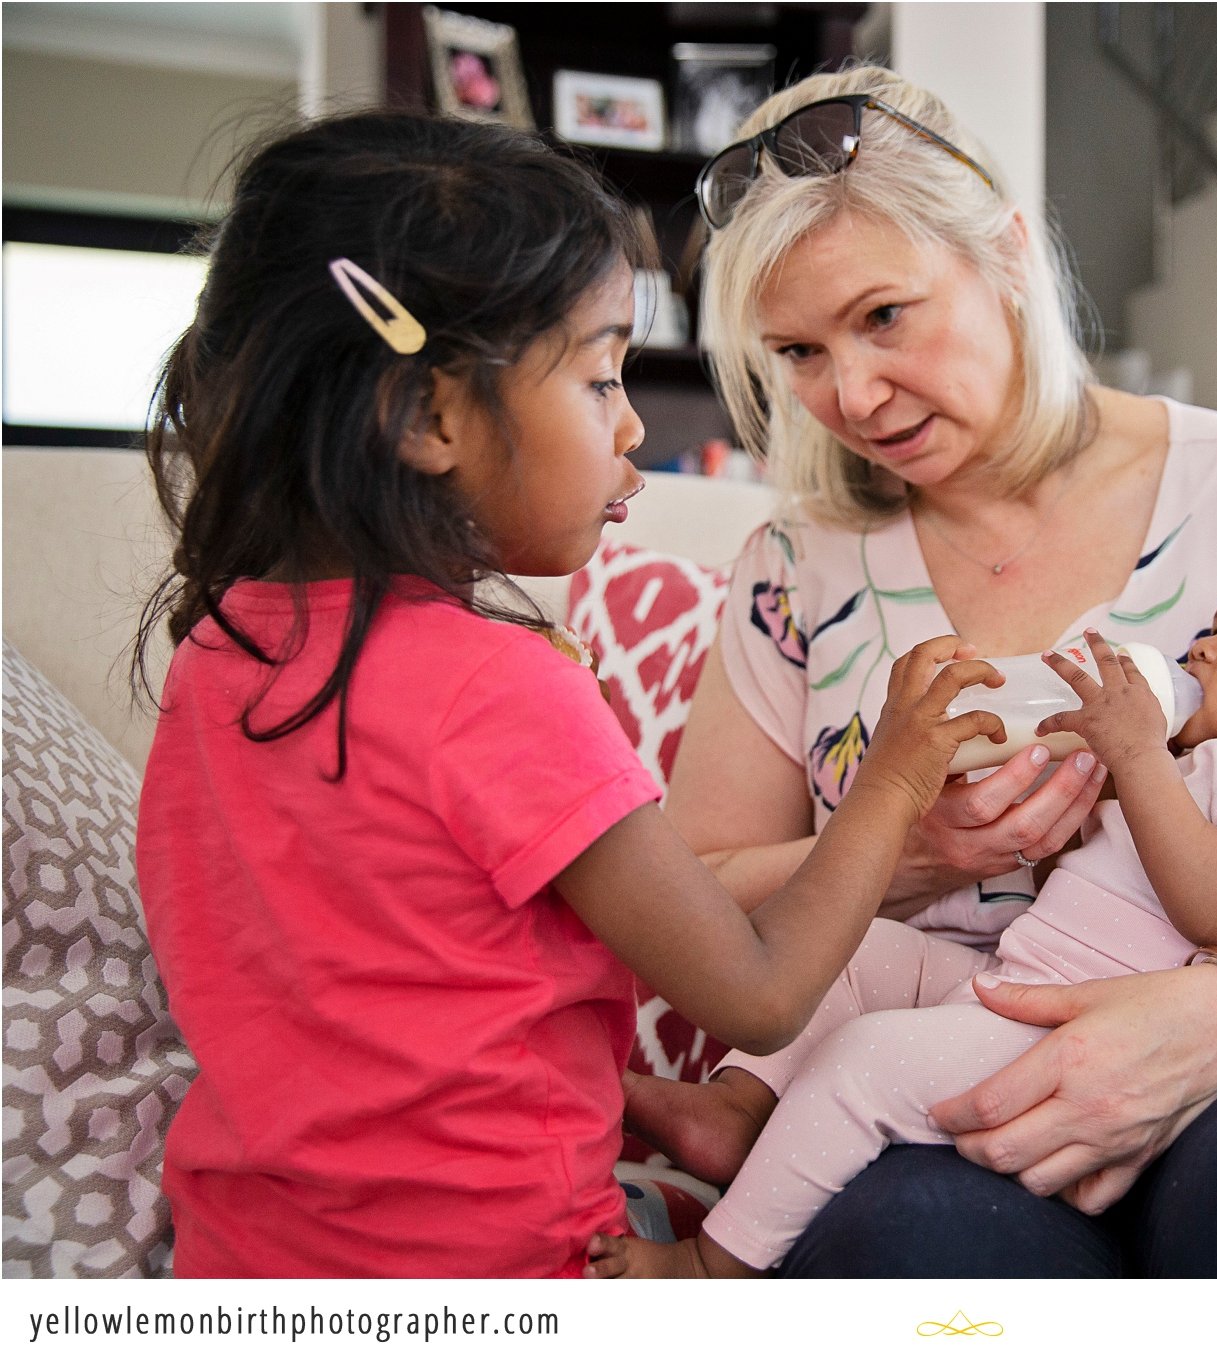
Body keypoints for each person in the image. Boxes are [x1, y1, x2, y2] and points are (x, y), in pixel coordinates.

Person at [664, 64, 1217, 1277]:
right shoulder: (796, 568)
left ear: (1006, 252)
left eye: (884, 317)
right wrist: (905, 849)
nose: (852, 395)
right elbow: (697, 887)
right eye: (798, 352)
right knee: (910, 1248)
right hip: (972, 1037)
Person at [132, 110, 1010, 1278]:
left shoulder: (218, 654)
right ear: (427, 415)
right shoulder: (498, 686)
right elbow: (757, 992)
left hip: (243, 1264)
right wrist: (893, 783)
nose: (634, 423)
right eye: (600, 378)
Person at [596, 505, 1217, 1277]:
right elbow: (1088, 880)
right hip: (1018, 978)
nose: (1205, 647)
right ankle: (739, 1106)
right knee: (860, 956)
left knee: (866, 1061)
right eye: (1215, 625)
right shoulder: (1199, 757)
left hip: (1080, 1036)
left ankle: (714, 1263)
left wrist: (1137, 757)